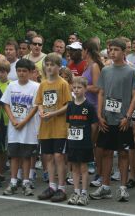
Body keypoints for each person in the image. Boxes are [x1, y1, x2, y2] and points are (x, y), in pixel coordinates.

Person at [89, 38, 135, 202]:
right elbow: (101, 93)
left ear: (124, 52)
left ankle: (123, 187)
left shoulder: (131, 71)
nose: (112, 52)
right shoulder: (105, 71)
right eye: (110, 50)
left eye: (116, 50)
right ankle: (105, 186)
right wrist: (99, 114)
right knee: (105, 152)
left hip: (122, 120)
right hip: (107, 119)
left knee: (124, 153)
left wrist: (128, 116)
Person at [35, 53, 72, 202]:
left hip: (60, 127)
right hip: (46, 127)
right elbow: (39, 102)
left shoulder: (63, 83)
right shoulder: (43, 84)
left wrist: (54, 113)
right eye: (47, 65)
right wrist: (41, 111)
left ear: (59, 67)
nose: (49, 68)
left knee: (59, 156)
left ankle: (62, 187)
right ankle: (52, 185)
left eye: (53, 65)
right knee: (48, 156)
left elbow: (68, 105)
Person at [1, 59, 39, 196]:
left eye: (24, 71)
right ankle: (13, 181)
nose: (21, 73)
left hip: (28, 128)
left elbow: (35, 107)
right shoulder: (12, 86)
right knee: (14, 155)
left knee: (26, 156)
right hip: (14, 128)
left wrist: (24, 122)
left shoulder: (35, 87)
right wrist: (12, 119)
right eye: (19, 71)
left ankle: (26, 181)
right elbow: (5, 103)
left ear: (30, 72)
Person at [66, 76, 98, 206]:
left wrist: (91, 140)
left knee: (84, 167)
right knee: (74, 167)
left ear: (85, 89)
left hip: (85, 142)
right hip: (73, 141)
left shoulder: (89, 106)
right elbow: (68, 124)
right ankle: (76, 191)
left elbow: (94, 125)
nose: (76, 90)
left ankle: (84, 193)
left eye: (79, 87)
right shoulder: (70, 106)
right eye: (74, 87)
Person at [81, 40, 103, 178]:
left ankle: (99, 172)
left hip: (94, 108)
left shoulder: (94, 66)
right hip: (85, 107)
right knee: (87, 141)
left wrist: (80, 87)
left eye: (82, 50)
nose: (81, 53)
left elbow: (97, 87)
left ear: (87, 51)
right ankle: (90, 169)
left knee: (93, 142)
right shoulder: (86, 66)